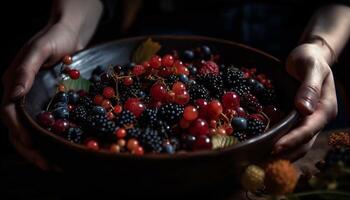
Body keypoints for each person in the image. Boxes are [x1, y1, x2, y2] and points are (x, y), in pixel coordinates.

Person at [1, 0, 350, 170]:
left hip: (281, 59)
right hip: (161, 36)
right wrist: (66, 25)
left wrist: (321, 46)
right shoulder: (144, 91)